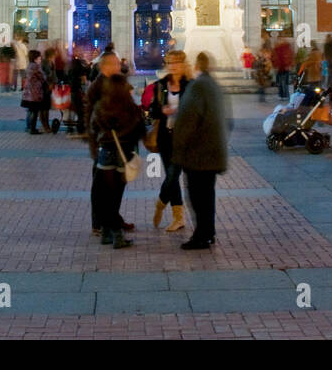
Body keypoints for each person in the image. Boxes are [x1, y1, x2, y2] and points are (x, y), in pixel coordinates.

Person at [171, 52, 230, 250]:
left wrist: (178, 146)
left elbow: (187, 119)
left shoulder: (197, 87)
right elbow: (228, 122)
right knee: (207, 195)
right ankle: (208, 232)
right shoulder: (214, 86)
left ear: (195, 65)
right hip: (213, 152)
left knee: (197, 196)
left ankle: (201, 235)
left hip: (198, 154)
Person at [90, 73, 146, 248]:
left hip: (105, 153)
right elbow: (141, 131)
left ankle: (107, 233)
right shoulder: (131, 108)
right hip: (125, 154)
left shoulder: (101, 106)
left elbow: (93, 127)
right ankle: (117, 236)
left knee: (104, 195)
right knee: (115, 197)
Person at [147, 49, 188, 231]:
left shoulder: (190, 85)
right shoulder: (161, 85)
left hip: (183, 138)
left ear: (183, 64)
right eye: (171, 62)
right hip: (164, 137)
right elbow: (152, 110)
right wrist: (161, 111)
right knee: (171, 177)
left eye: (177, 62)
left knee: (173, 175)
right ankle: (178, 217)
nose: (174, 66)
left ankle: (160, 203)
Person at [21, 49, 48, 134]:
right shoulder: (36, 66)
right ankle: (33, 128)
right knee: (35, 110)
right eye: (39, 58)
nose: (41, 59)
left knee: (30, 110)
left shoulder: (29, 65)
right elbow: (42, 77)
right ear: (36, 58)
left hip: (28, 91)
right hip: (35, 92)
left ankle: (28, 127)